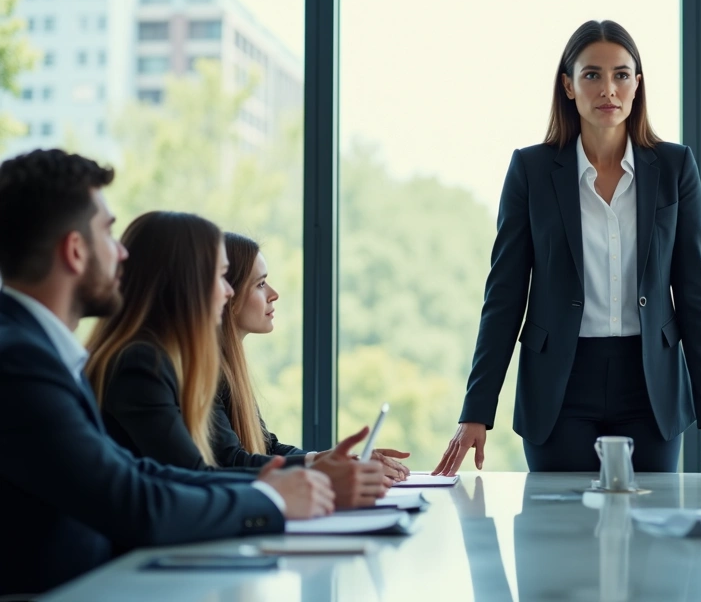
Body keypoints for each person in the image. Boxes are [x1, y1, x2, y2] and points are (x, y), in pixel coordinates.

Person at [0, 149, 333, 595]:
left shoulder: (40, 352)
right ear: (75, 251)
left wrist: (282, 487)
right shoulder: (20, 361)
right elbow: (133, 499)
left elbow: (138, 472)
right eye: (109, 233)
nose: (122, 255)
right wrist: (271, 498)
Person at [434, 20, 701, 474]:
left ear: (637, 84)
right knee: (558, 537)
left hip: (650, 386)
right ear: (568, 85)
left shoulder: (675, 166)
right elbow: (504, 296)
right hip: (559, 387)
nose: (609, 89)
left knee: (650, 536)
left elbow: (695, 295)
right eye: (592, 75)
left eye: (622, 75)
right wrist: (476, 410)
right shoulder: (530, 169)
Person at [85, 212, 387, 509]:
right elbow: (197, 474)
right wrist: (313, 476)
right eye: (220, 276)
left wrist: (321, 463)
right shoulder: (140, 364)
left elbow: (257, 447)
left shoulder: (164, 360)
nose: (227, 291)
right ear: (185, 283)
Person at [211, 232, 410, 481]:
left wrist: (334, 460)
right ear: (228, 293)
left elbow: (267, 447)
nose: (274, 294)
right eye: (260, 284)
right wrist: (322, 467)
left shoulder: (231, 368)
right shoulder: (208, 374)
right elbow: (230, 461)